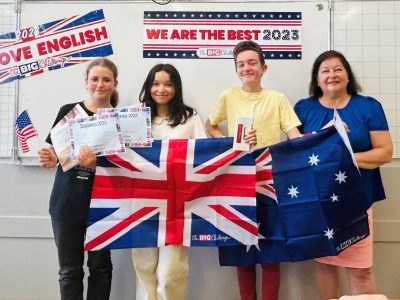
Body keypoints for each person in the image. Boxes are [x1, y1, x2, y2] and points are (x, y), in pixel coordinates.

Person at [206, 40, 302, 300]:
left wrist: (316, 140)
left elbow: (294, 133)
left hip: (270, 179)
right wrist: (227, 144)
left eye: (252, 63)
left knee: (272, 251)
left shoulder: (277, 99)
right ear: (236, 70)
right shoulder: (228, 96)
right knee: (242, 251)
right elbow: (210, 123)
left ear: (264, 67)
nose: (246, 68)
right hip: (237, 179)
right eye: (241, 64)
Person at [294, 50, 393, 300]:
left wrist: (344, 160)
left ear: (348, 75)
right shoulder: (304, 109)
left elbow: (384, 153)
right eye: (325, 71)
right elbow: (296, 153)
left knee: (360, 269)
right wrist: (322, 138)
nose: (332, 75)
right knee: (325, 265)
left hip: (358, 201)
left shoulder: (368, 106)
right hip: (320, 203)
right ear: (316, 79)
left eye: (338, 69)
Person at [38, 58, 118, 300]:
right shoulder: (68, 111)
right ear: (86, 82)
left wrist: (98, 165)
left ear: (115, 84)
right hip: (67, 202)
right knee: (70, 271)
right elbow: (55, 153)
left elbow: (126, 167)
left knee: (101, 269)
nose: (100, 84)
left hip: (103, 206)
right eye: (95, 79)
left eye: (106, 79)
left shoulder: (120, 118)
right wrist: (50, 159)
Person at [132, 63, 207, 300]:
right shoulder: (135, 116)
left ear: (176, 87)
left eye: (168, 84)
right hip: (142, 204)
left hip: (177, 206)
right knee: (144, 267)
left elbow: (205, 153)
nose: (161, 89)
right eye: (155, 83)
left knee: (170, 271)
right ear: (148, 86)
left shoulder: (189, 117)